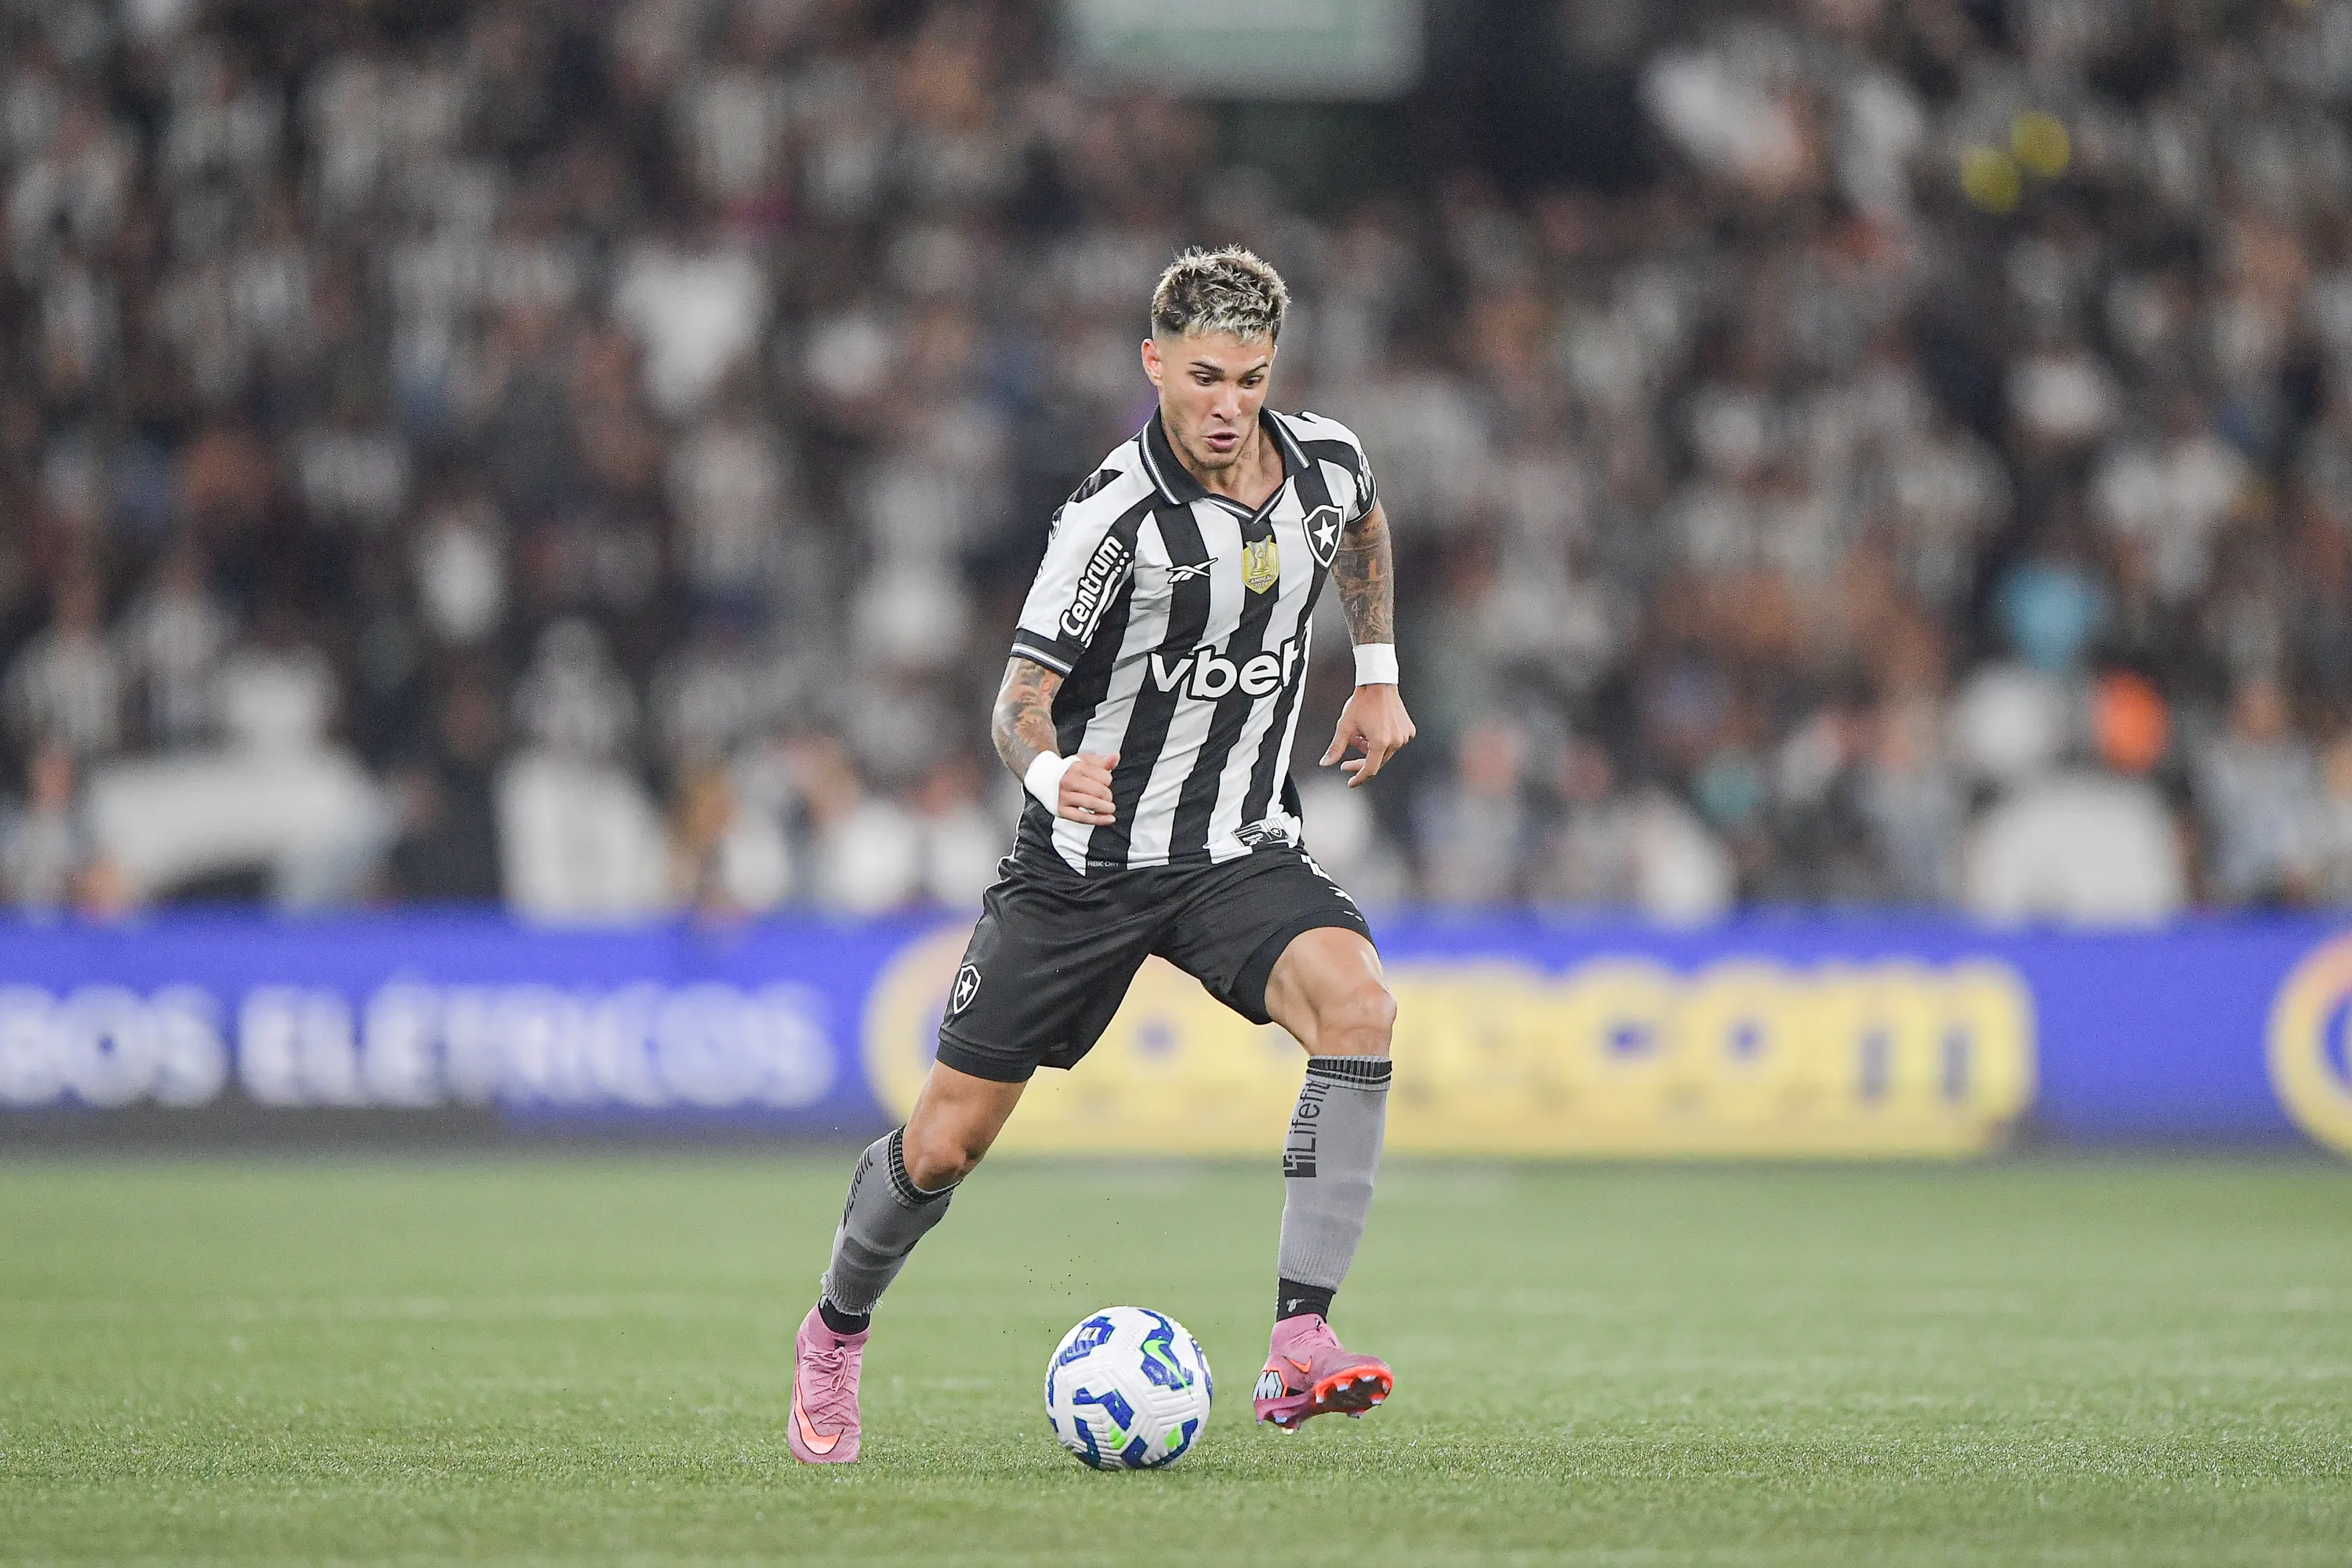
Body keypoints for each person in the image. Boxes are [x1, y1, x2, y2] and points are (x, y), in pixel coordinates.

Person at [787, 248, 1417, 1463]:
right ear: (1152, 366)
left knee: (1361, 1006)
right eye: (1201, 379)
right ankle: (834, 1331)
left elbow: (1363, 525)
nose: (1227, 406)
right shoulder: (1109, 520)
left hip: (1236, 844)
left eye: (1248, 378)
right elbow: (1016, 701)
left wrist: (1379, 675)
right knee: (942, 1146)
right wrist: (1048, 772)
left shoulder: (1325, 461)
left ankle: (1298, 1347)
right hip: (1085, 862)